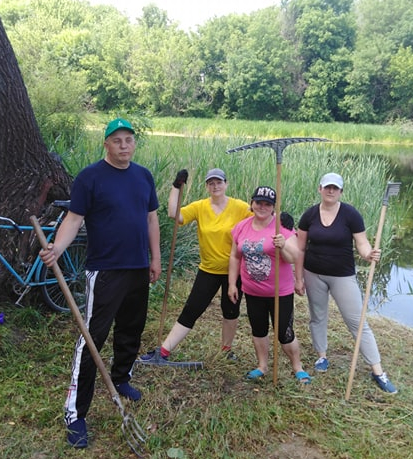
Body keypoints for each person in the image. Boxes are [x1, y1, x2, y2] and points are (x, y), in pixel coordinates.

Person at [39, 117, 161, 448]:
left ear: (134, 144)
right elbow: (74, 219)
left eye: (129, 140)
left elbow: (151, 218)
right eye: (117, 140)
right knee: (92, 340)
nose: (124, 145)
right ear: (106, 144)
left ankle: (121, 377)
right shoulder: (90, 178)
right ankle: (75, 414)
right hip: (105, 270)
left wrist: (155, 258)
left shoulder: (143, 176)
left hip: (138, 267)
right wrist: (57, 249)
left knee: (131, 329)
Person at [294, 172, 397, 394]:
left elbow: (362, 243)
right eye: (327, 187)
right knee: (318, 316)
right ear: (320, 188)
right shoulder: (310, 215)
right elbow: (300, 248)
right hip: (314, 274)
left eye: (336, 188)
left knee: (357, 322)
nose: (331, 191)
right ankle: (322, 356)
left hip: (343, 275)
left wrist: (369, 254)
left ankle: (377, 370)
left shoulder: (351, 214)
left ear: (341, 191)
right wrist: (299, 277)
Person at [140, 167, 252, 362]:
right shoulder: (200, 207)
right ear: (207, 187)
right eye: (211, 183)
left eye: (219, 182)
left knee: (231, 310)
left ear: (226, 184)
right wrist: (176, 186)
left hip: (234, 271)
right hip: (208, 269)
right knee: (192, 309)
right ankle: (164, 351)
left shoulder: (240, 207)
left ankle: (226, 350)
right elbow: (175, 214)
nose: (215, 186)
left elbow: (262, 217)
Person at [228, 186, 311, 384]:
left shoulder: (281, 228)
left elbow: (293, 257)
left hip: (279, 293)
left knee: (285, 333)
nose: (262, 207)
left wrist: (282, 246)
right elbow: (234, 256)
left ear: (274, 207)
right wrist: (232, 284)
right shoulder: (242, 227)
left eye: (267, 204)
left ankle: (297, 367)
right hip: (251, 290)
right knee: (258, 329)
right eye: (259, 202)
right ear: (252, 203)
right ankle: (262, 366)